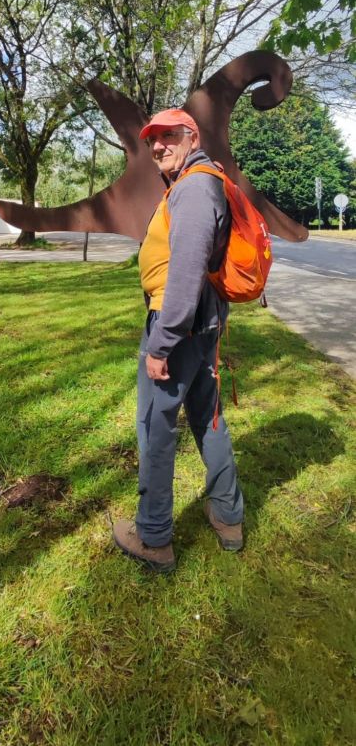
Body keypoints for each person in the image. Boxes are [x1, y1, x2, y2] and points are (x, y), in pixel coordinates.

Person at [113, 108, 244, 573]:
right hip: (202, 324)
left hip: (179, 325)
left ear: (193, 138)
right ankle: (228, 516)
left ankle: (153, 538)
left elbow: (186, 273)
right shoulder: (198, 182)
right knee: (208, 417)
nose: (158, 146)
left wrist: (161, 344)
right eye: (153, 139)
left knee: (155, 425)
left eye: (169, 136)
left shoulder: (193, 188)